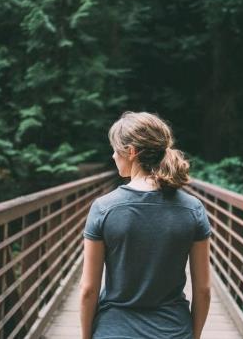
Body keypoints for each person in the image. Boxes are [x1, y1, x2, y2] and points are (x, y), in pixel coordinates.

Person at [79, 111, 212, 339]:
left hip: (115, 331)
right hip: (174, 331)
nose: (113, 156)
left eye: (115, 149)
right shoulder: (193, 209)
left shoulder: (103, 208)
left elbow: (89, 290)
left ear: (131, 152)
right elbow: (204, 290)